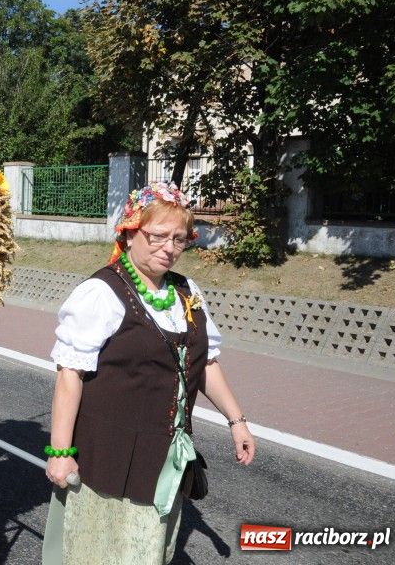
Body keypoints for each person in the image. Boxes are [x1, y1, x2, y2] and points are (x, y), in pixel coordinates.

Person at [42, 182, 256, 565]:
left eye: (179, 239)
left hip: (165, 458)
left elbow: (205, 362)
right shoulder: (101, 293)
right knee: (100, 552)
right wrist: (60, 453)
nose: (169, 248)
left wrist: (236, 421)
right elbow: (69, 374)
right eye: (157, 236)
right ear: (128, 232)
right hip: (107, 458)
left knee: (152, 549)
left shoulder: (187, 292)